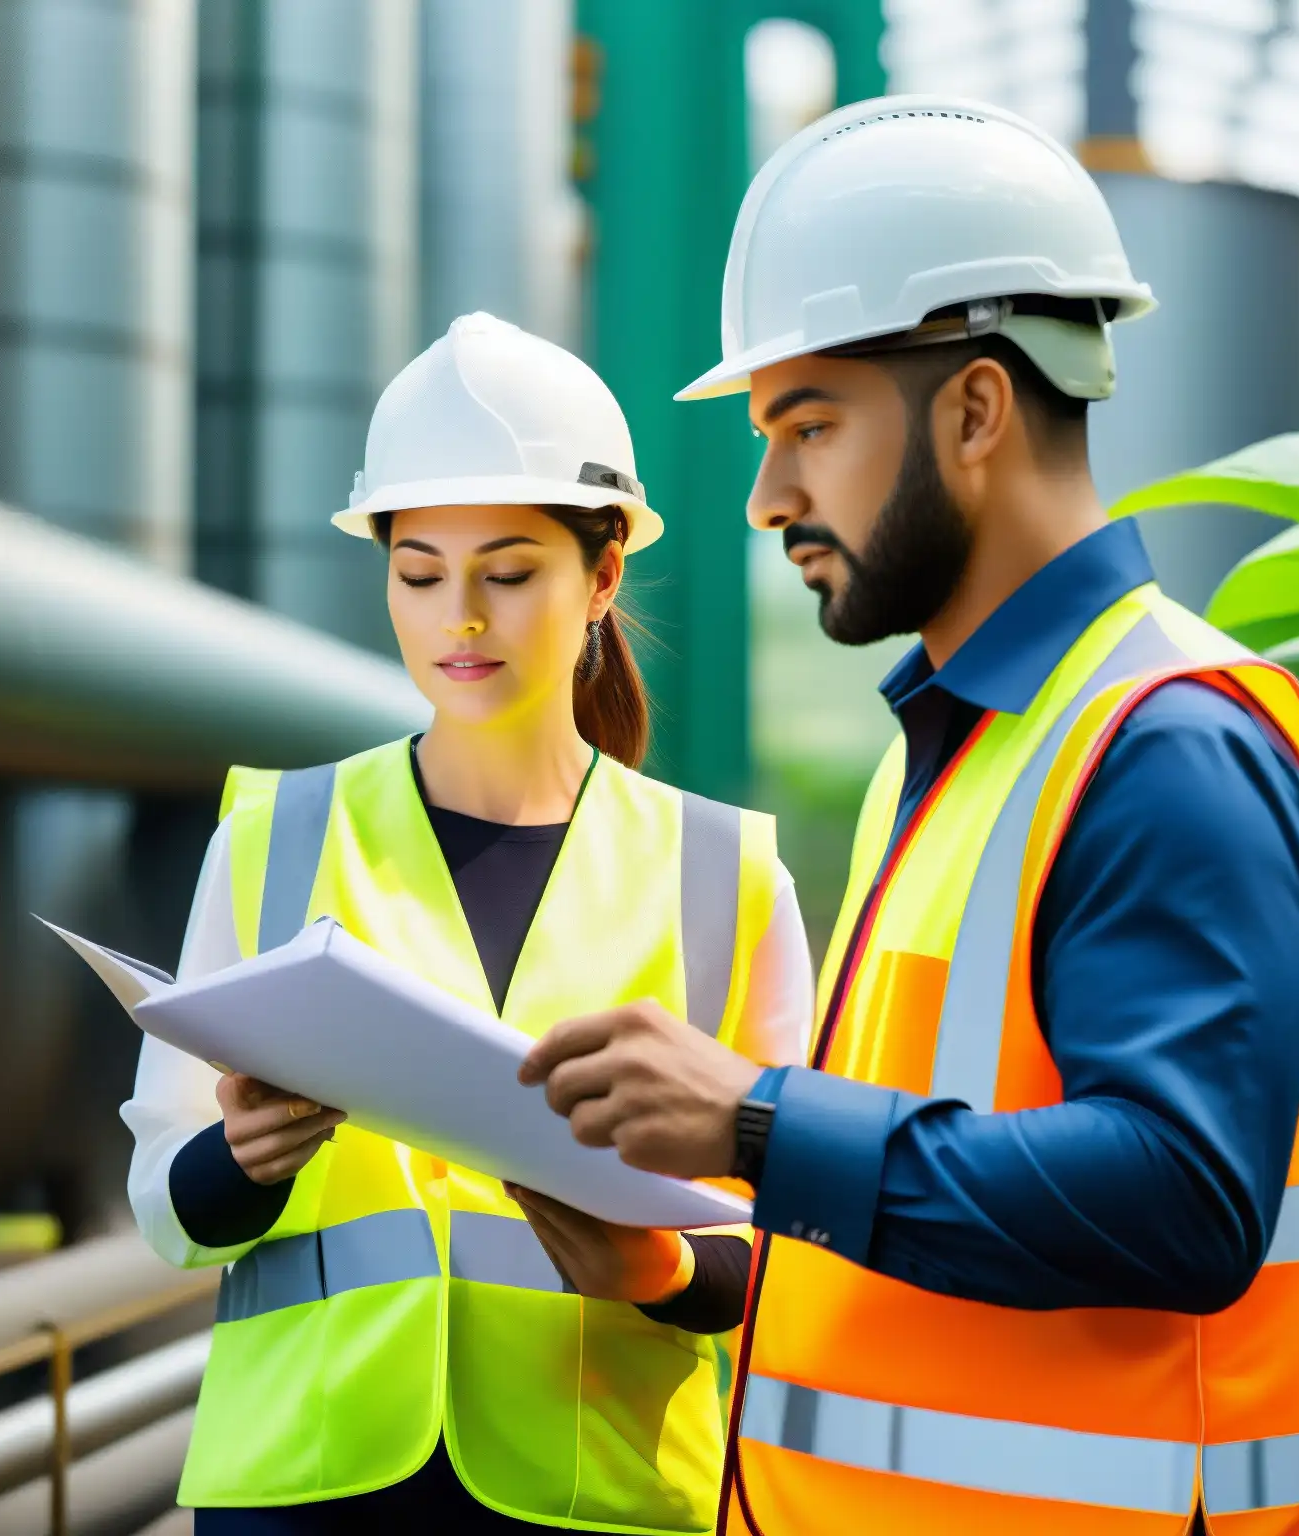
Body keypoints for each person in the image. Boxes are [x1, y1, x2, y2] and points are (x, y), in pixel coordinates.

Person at [520, 98, 1299, 1535]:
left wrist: (756, 1126)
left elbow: (1184, 1195)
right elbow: (921, 1232)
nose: (766, 494)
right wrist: (672, 1268)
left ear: (974, 410)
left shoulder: (1168, 747)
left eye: (810, 424)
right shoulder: (952, 757)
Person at [120, 312, 812, 1534]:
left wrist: (657, 1267)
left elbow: (792, 1239)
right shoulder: (275, 838)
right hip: (304, 1483)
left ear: (600, 577)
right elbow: (164, 1212)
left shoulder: (724, 872)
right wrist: (238, 1162)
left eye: (507, 571)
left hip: (593, 1486)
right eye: (419, 573)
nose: (460, 620)